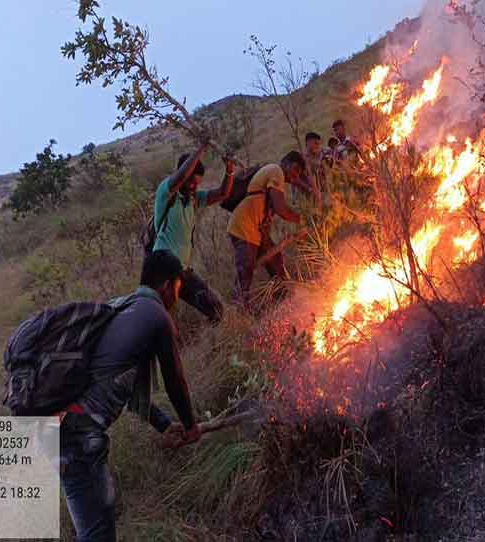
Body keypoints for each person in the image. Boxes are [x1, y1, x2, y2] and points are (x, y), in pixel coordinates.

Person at [59, 250, 201, 542]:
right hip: (79, 433)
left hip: (63, 426)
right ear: (166, 285)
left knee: (94, 524)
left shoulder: (124, 307)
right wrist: (191, 426)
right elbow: (175, 380)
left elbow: (131, 395)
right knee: (98, 532)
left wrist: (164, 425)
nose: (178, 295)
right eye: (178, 287)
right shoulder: (156, 315)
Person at [153, 143, 235, 323]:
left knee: (216, 309)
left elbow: (223, 194)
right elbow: (181, 175)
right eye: (191, 182)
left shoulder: (193, 200)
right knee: (161, 324)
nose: (193, 187)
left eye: (197, 184)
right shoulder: (165, 193)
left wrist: (229, 171)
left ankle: (214, 344)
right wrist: (201, 148)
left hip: (182, 270)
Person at [227, 151, 306, 303]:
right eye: (295, 170)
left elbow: (268, 215)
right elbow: (281, 209)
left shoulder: (275, 179)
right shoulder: (276, 171)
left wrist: (265, 240)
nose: (295, 177)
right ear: (286, 163)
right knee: (245, 273)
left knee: (276, 261)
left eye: (298, 174)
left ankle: (284, 302)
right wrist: (303, 220)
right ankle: (238, 315)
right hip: (244, 227)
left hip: (255, 230)